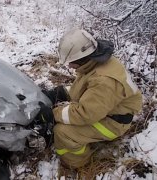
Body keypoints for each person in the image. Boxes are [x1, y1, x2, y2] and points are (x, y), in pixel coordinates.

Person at [39, 28, 143, 169]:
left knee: (62, 132)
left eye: (71, 62)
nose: (69, 65)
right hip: (106, 110)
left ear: (82, 59)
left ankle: (78, 163)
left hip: (114, 122)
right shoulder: (96, 62)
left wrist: (53, 114)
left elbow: (85, 114)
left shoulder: (104, 81)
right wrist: (61, 92)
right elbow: (87, 89)